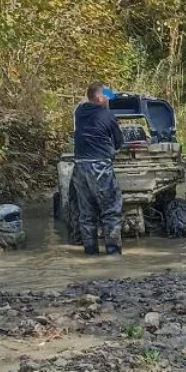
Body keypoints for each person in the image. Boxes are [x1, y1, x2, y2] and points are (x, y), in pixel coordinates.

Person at [72, 83, 126, 255]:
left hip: (80, 166)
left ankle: (91, 252)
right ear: (101, 98)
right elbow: (119, 143)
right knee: (111, 209)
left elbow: (88, 98)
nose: (109, 99)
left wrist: (103, 93)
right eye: (107, 96)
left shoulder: (79, 113)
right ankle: (113, 252)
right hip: (100, 166)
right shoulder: (107, 115)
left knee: (86, 212)